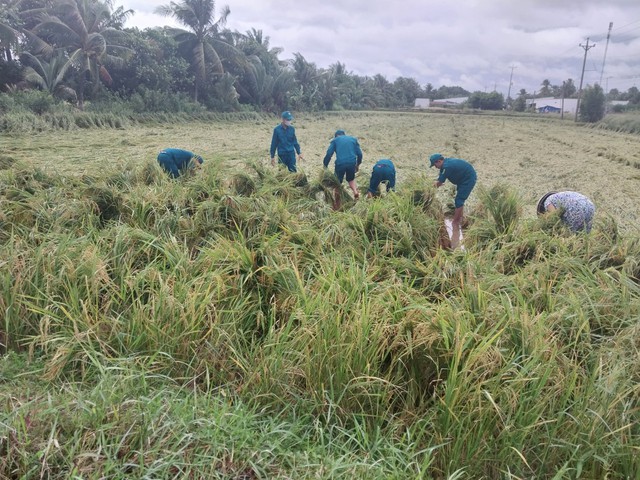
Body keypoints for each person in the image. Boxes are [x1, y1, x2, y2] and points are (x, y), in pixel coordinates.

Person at [430, 153, 477, 249]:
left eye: (435, 165)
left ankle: (456, 221)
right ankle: (460, 218)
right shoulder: (444, 166)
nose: (435, 167)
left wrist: (428, 187)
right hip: (462, 179)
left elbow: (439, 183)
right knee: (459, 199)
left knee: (459, 200)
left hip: (468, 179)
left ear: (439, 161)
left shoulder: (447, 166)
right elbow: (440, 179)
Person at [323, 129, 363, 201]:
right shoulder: (353, 140)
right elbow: (360, 154)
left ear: (336, 136)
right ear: (344, 134)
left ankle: (337, 200)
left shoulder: (335, 140)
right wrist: (357, 164)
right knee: (351, 179)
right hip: (352, 163)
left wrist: (325, 165)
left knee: (337, 182)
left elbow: (329, 154)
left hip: (340, 163)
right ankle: (355, 191)